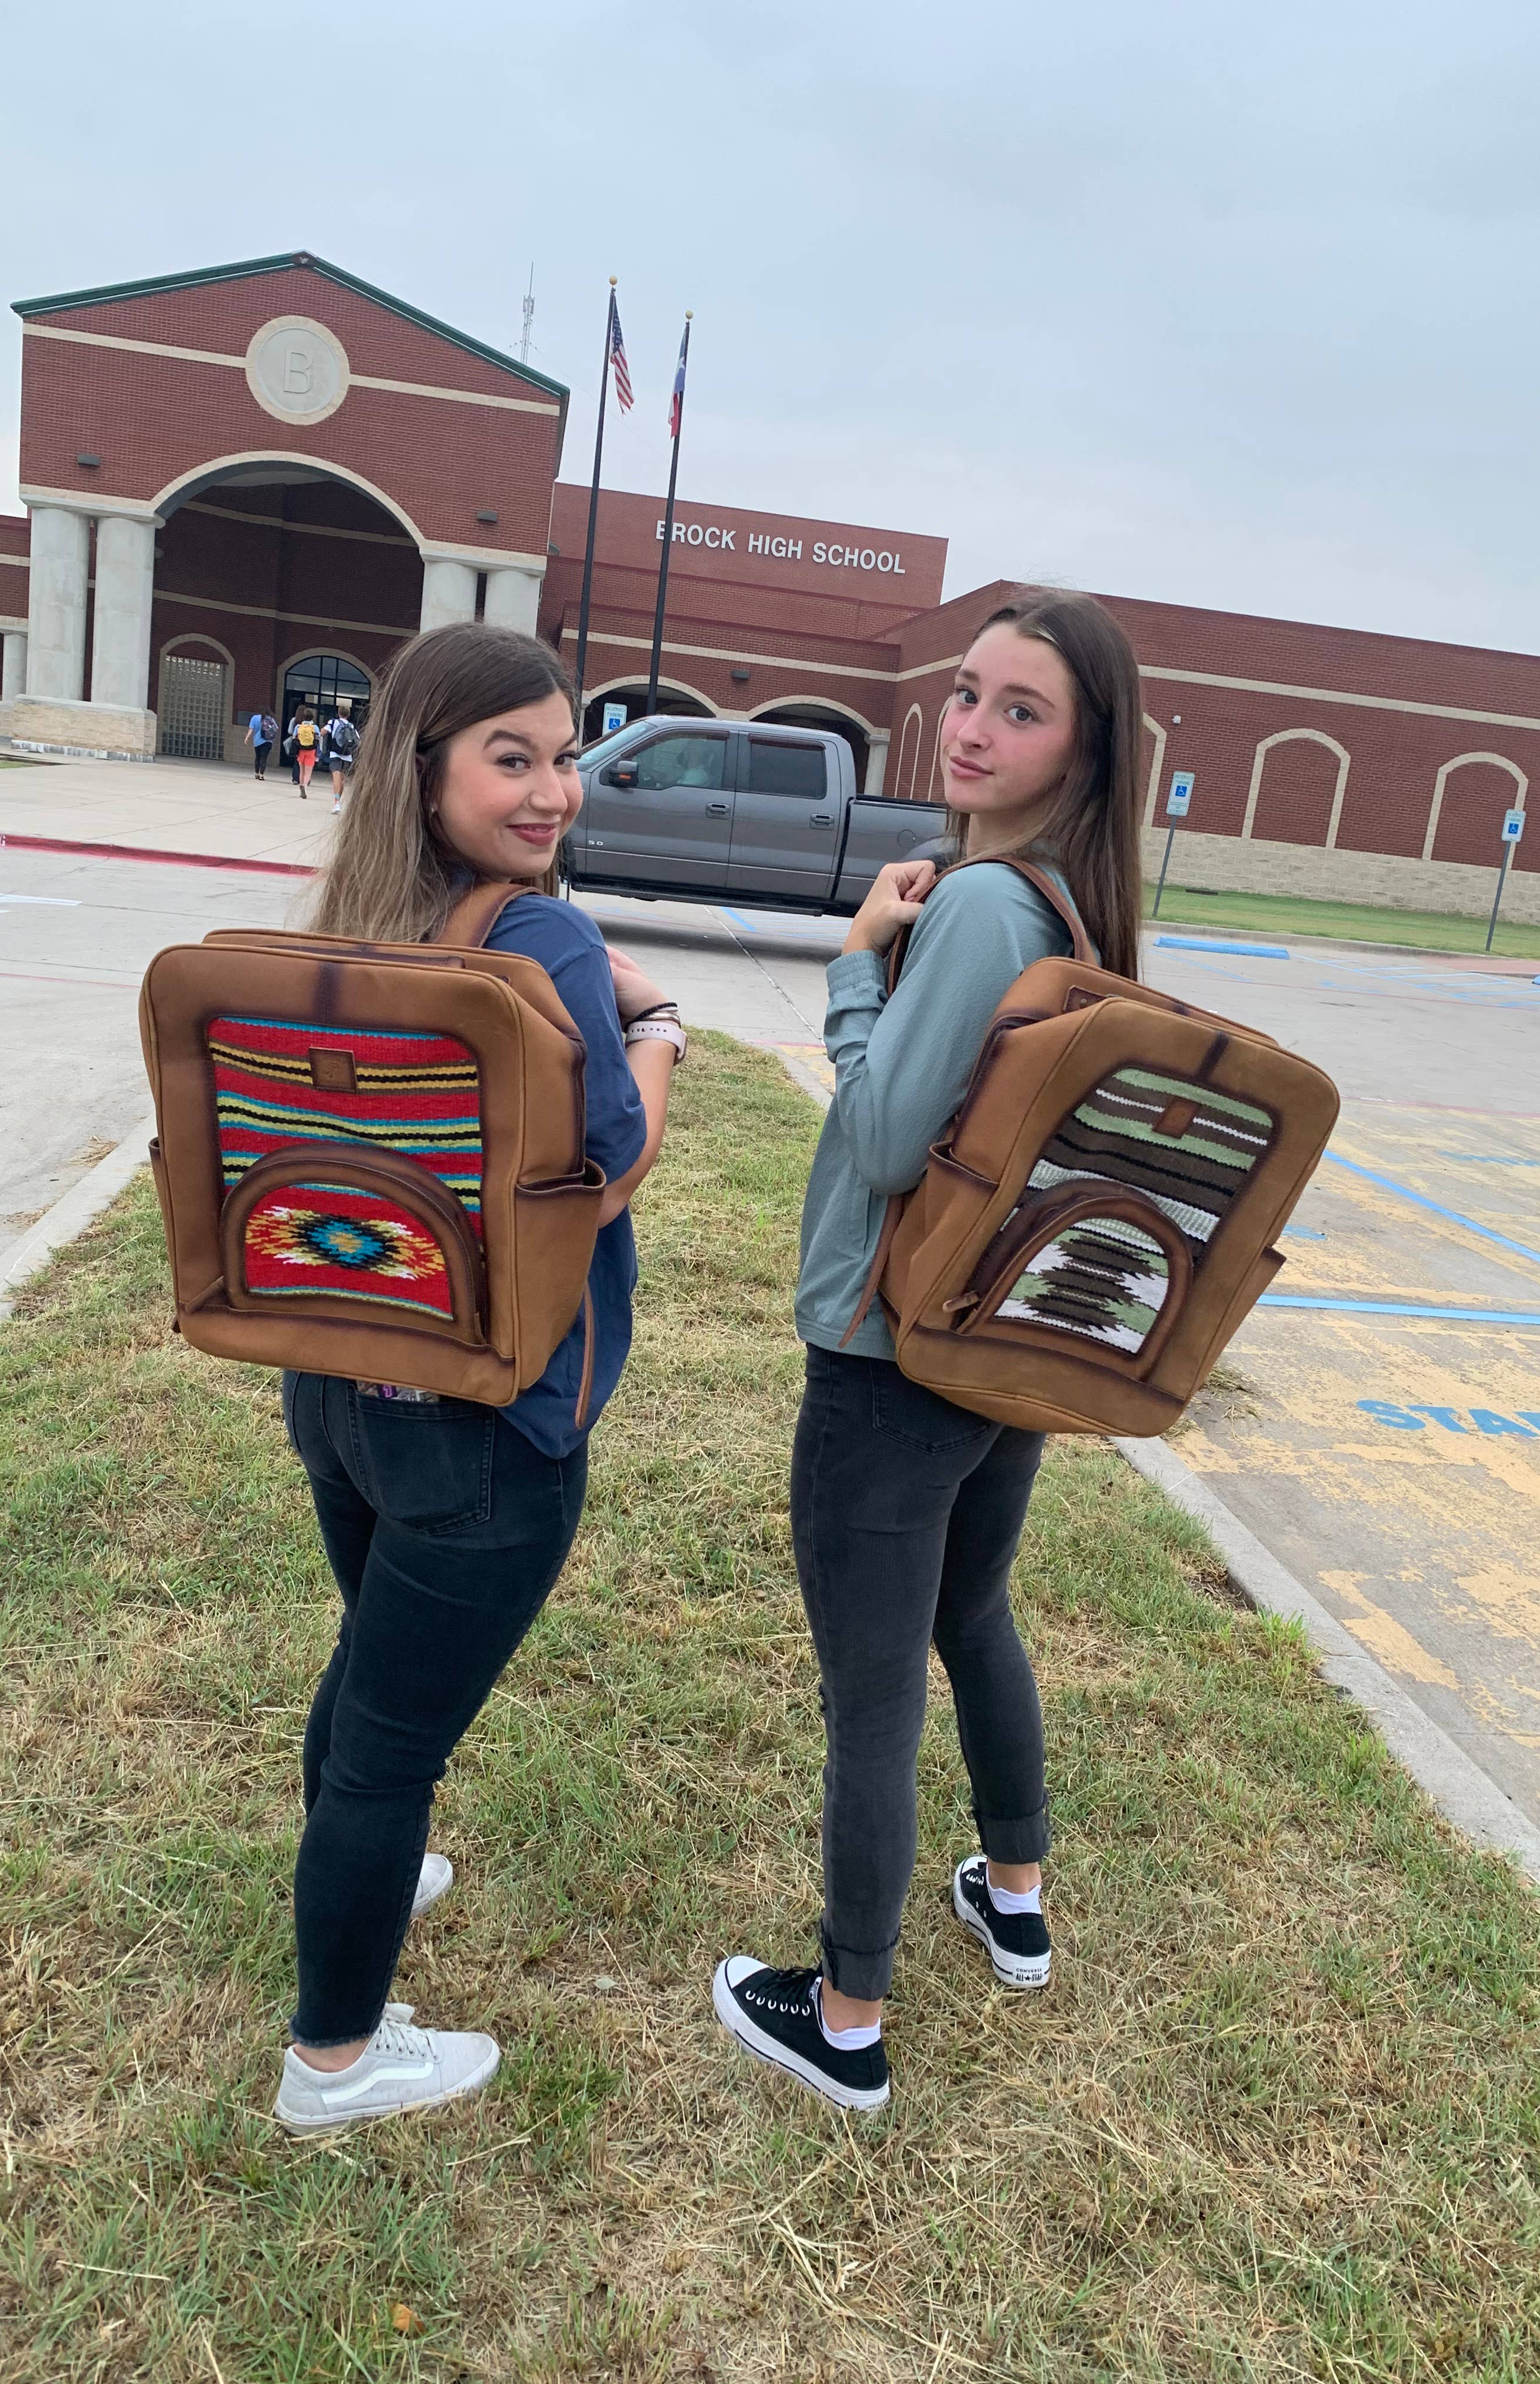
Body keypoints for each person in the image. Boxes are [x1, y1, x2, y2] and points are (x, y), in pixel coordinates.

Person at [712, 591, 1145, 2111]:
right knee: (973, 1612)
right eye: (968, 693)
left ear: (1084, 749)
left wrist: (856, 967)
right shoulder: (1078, 909)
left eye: (1022, 710)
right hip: (997, 1340)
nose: (972, 727)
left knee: (875, 1687)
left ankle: (845, 2020)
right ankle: (1014, 1897)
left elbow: (890, 1136)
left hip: (891, 1355)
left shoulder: (980, 911)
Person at [271, 622, 684, 2135]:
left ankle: (359, 1874)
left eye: (566, 757)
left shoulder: (355, 921)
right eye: (513, 757)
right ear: (427, 764)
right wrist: (659, 1026)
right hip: (493, 1419)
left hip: (341, 1380)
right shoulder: (542, 944)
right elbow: (608, 1166)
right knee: (393, 1748)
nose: (554, 790)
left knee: (369, 1681)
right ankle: (333, 2061)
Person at [325, 700, 360, 813]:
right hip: (347, 756)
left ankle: (336, 802)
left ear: (339, 713)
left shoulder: (333, 722)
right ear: (348, 715)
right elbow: (358, 740)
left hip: (335, 753)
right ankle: (337, 801)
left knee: (336, 778)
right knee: (342, 780)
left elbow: (324, 732)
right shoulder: (351, 726)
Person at [293, 707, 320, 799]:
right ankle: (305, 785)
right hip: (311, 751)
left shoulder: (298, 727)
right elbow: (318, 740)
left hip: (301, 751)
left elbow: (294, 738)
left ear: (303, 717)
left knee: (302, 770)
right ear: (313, 717)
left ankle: (301, 784)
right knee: (308, 772)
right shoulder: (315, 727)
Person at [244, 709, 278, 782]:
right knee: (264, 758)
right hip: (268, 741)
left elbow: (251, 729)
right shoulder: (271, 719)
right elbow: (276, 729)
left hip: (258, 741)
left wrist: (247, 737)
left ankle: (257, 773)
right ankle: (262, 775)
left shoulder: (255, 718)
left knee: (258, 757)